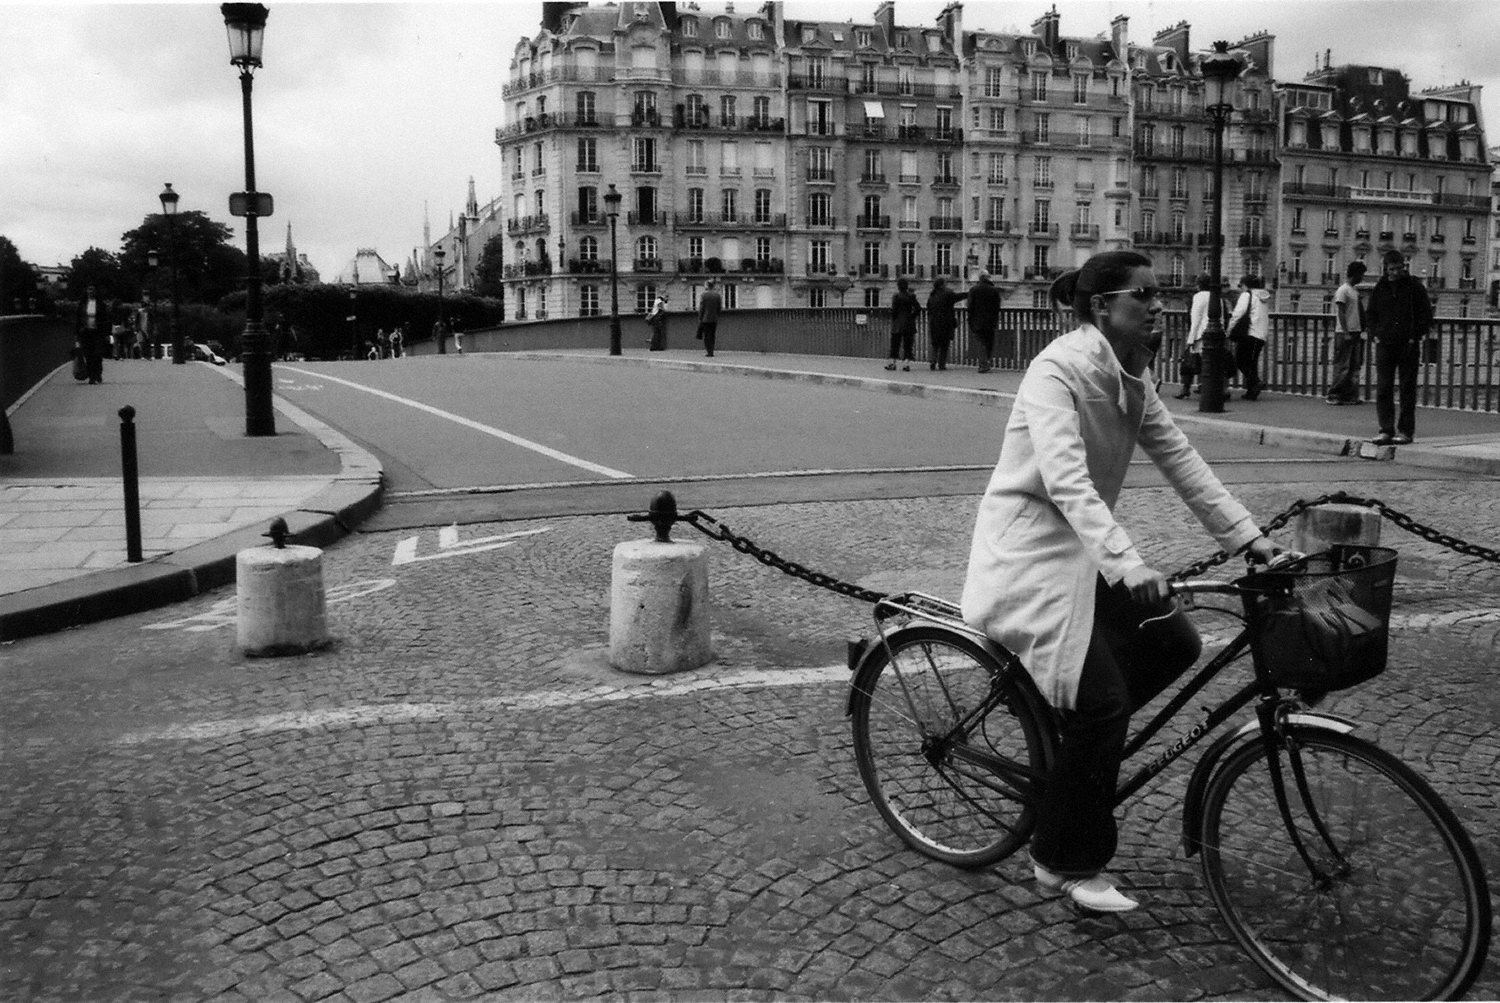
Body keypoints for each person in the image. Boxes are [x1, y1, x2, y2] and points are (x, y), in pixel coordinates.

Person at [959, 251, 1279, 913]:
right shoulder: (1058, 369)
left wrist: (1247, 536)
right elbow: (1067, 481)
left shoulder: (1135, 375)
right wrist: (1128, 562)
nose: (1159, 306)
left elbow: (1182, 459)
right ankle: (1060, 861)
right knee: (1103, 703)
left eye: (1161, 295)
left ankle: (1077, 749)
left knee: (1176, 643)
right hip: (1029, 554)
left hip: (1081, 551)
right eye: (1145, 296)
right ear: (1102, 306)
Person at [1366, 250, 1433, 445]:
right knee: (1384, 388)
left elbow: (1426, 314)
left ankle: (1405, 431)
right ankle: (1386, 429)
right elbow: (1371, 313)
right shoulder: (1381, 287)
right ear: (1385, 268)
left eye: (1399, 268)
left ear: (1404, 267)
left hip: (1407, 344)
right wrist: (1375, 335)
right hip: (1385, 343)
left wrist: (1415, 336)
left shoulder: (1414, 287)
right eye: (1392, 269)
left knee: (1407, 389)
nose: (1395, 272)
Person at [1326, 261, 1369, 405]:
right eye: (1361, 275)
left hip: (1355, 332)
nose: (1362, 278)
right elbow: (1341, 311)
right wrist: (1345, 331)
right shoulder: (1343, 290)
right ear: (1355, 274)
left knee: (1354, 365)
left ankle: (1350, 395)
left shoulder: (1354, 291)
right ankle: (1334, 395)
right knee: (1342, 365)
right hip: (1345, 332)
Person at [1225, 274, 1270, 400]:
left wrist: (1229, 331)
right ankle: (1252, 391)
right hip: (1261, 334)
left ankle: (1256, 382)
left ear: (1246, 285)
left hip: (1249, 332)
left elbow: (1238, 314)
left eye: (1241, 285)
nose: (1240, 288)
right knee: (1252, 362)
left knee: (1240, 360)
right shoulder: (1263, 296)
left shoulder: (1247, 295)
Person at [1177, 274, 1212, 399]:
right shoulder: (1217, 297)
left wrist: (1190, 339)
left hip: (1200, 335)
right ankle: (1204, 386)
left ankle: (1185, 389)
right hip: (1214, 335)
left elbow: (1195, 319)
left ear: (1198, 285)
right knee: (1209, 364)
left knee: (1188, 362)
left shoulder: (1198, 297)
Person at [926, 277, 968, 371]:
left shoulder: (932, 296)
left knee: (935, 344)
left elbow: (928, 308)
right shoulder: (947, 294)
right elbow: (958, 297)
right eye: (945, 283)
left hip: (934, 322)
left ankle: (933, 361)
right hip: (945, 322)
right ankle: (941, 364)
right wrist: (969, 294)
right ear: (942, 285)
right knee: (944, 344)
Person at [967, 270, 1002, 373]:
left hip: (977, 320)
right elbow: (997, 307)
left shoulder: (973, 290)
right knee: (989, 342)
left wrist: (970, 319)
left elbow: (970, 306)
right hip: (991, 320)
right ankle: (987, 362)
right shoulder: (994, 290)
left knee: (981, 342)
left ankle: (983, 364)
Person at [886, 278, 919, 371]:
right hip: (909, 323)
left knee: (895, 344)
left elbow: (894, 311)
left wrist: (893, 317)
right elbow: (918, 308)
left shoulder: (896, 296)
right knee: (908, 345)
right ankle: (906, 364)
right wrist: (912, 316)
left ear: (898, 286)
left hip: (897, 324)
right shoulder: (911, 296)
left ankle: (892, 363)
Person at [76, 286, 105, 384]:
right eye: (89, 289)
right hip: (86, 331)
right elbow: (78, 318)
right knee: (88, 354)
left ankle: (98, 374)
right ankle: (92, 376)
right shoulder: (82, 304)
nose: (90, 291)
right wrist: (77, 332)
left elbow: (105, 319)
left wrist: (106, 333)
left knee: (97, 354)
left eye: (92, 289)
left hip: (98, 332)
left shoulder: (101, 304)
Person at [697, 279, 722, 357]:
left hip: (705, 318)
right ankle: (712, 350)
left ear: (707, 286)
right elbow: (719, 307)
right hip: (714, 318)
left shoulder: (704, 295)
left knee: (707, 335)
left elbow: (702, 308)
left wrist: (700, 317)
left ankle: (709, 351)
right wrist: (717, 315)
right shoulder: (717, 295)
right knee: (712, 335)